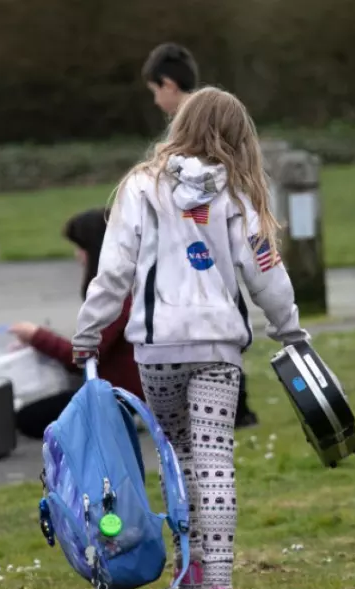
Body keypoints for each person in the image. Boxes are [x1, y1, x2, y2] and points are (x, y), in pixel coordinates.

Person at [71, 87, 310, 589]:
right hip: (218, 349)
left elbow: (112, 273)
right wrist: (289, 330)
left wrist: (88, 331)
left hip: (156, 351)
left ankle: (191, 566)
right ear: (238, 135)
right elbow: (265, 272)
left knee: (176, 458)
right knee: (215, 459)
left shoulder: (139, 186)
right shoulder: (239, 193)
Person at [142, 42, 261, 430]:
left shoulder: (188, 134)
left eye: (155, 90)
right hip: (218, 249)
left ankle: (233, 406)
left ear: (169, 84)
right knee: (227, 313)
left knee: (217, 318)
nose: (157, 100)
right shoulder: (223, 114)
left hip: (196, 248)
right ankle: (229, 404)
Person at [8, 207, 144, 439]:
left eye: (81, 248)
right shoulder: (129, 287)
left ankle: (122, 416)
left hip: (118, 392)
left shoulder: (117, 296)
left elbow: (82, 356)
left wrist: (36, 335)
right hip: (119, 387)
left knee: (27, 418)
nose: (77, 256)